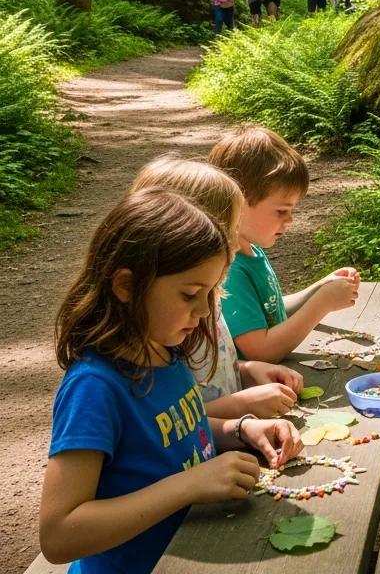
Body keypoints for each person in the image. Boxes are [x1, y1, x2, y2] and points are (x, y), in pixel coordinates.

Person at [40, 189, 302, 572]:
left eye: (211, 293)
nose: (204, 311)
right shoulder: (94, 387)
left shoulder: (167, 349)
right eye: (190, 294)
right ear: (126, 286)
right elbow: (59, 535)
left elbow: (173, 431)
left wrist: (241, 429)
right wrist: (189, 485)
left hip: (192, 547)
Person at [130, 156, 305, 419]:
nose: (236, 243)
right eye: (229, 231)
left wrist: (247, 370)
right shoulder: (166, 322)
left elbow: (210, 371)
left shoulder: (205, 299)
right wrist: (240, 407)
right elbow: (165, 422)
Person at [210, 126, 361, 363]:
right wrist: (321, 304)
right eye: (281, 211)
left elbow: (271, 309)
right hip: (256, 381)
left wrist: (319, 288)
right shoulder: (230, 269)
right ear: (238, 201)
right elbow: (261, 351)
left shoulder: (251, 250)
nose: (290, 220)